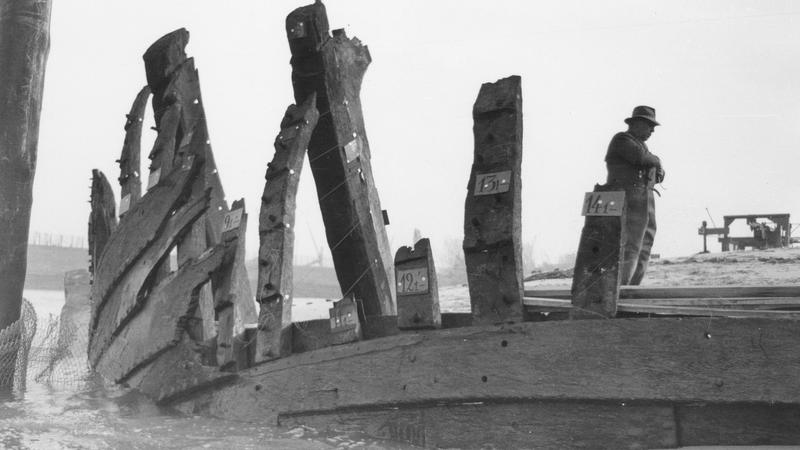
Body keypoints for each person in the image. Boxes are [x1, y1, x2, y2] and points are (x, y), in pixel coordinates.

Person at [604, 105, 664, 285]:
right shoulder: (622, 139)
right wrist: (657, 161)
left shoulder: (641, 145)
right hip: (627, 199)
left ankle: (633, 288)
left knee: (645, 245)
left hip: (644, 199)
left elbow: (658, 175)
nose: (652, 130)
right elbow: (642, 159)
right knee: (630, 245)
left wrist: (656, 166)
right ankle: (621, 289)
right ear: (637, 123)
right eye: (649, 126)